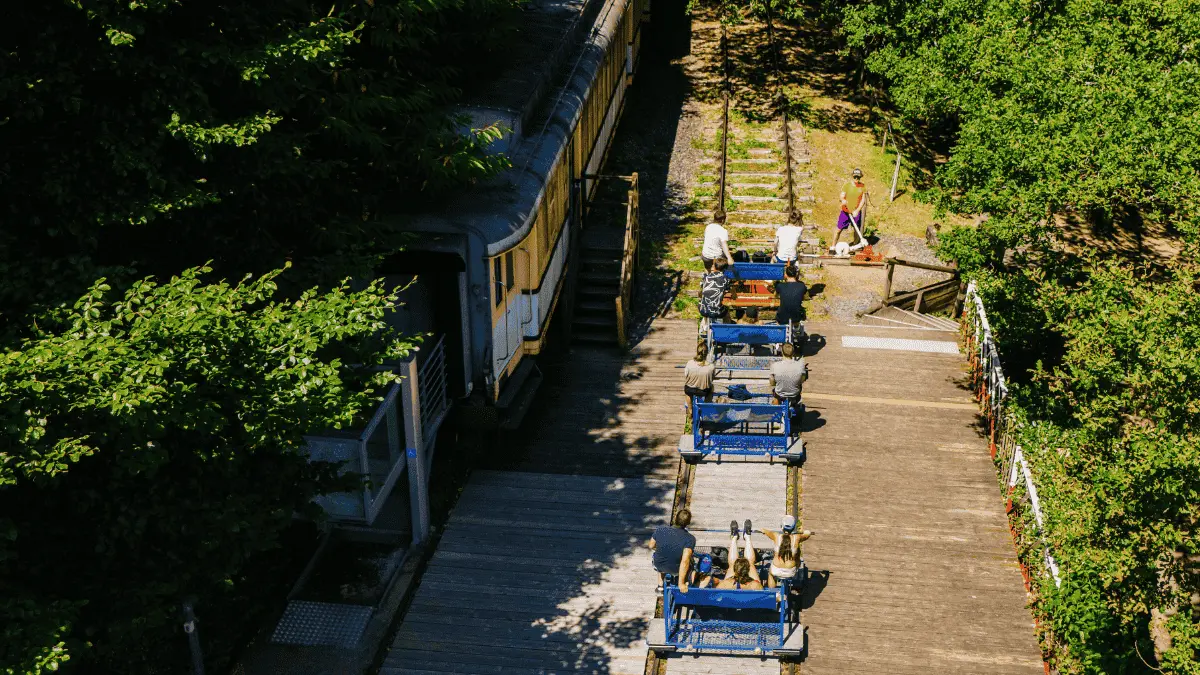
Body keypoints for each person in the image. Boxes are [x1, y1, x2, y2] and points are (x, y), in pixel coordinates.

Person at [649, 509, 696, 593]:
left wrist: (662, 549)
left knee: (660, 556)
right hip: (675, 569)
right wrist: (680, 584)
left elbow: (651, 545)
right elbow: (685, 562)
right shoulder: (690, 539)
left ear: (675, 518)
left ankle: (660, 587)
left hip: (658, 564)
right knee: (691, 562)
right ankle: (684, 581)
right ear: (688, 523)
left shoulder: (661, 530)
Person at [761, 515, 814, 588]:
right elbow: (807, 534)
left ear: (782, 526)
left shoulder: (776, 536)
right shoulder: (797, 537)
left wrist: (764, 531)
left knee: (771, 574)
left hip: (776, 570)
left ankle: (773, 592)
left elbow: (765, 531)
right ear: (793, 527)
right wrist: (807, 532)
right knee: (797, 555)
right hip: (790, 571)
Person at [717, 519, 763, 590]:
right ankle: (747, 537)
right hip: (750, 593)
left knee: (732, 564)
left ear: (735, 571)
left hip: (730, 591)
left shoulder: (724, 585)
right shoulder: (755, 586)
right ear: (748, 570)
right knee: (750, 563)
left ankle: (734, 537)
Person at [833, 168, 867, 247]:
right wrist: (843, 200)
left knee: (856, 230)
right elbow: (842, 195)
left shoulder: (863, 187)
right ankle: (833, 246)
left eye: (858, 177)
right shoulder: (847, 185)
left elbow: (863, 200)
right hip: (845, 211)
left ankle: (855, 246)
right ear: (852, 176)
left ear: (860, 177)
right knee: (838, 230)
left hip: (855, 212)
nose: (856, 179)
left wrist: (857, 211)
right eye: (855, 177)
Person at [769, 342, 807, 408]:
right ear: (793, 353)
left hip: (780, 394)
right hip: (795, 394)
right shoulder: (801, 365)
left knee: (774, 392)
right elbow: (802, 380)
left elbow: (772, 383)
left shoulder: (774, 365)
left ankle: (776, 404)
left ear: (782, 352)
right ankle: (795, 404)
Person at [683, 344, 715, 416]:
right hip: (703, 391)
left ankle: (690, 410)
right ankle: (706, 409)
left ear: (697, 351)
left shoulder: (690, 363)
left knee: (688, 393)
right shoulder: (711, 366)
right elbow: (712, 379)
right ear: (707, 353)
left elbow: (686, 375)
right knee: (711, 387)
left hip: (690, 389)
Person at [699, 258, 732, 322]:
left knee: (703, 303)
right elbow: (728, 289)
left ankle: (705, 323)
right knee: (726, 309)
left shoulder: (706, 277)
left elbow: (701, 285)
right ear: (725, 269)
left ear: (714, 267)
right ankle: (726, 325)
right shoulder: (726, 279)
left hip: (703, 310)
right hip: (718, 312)